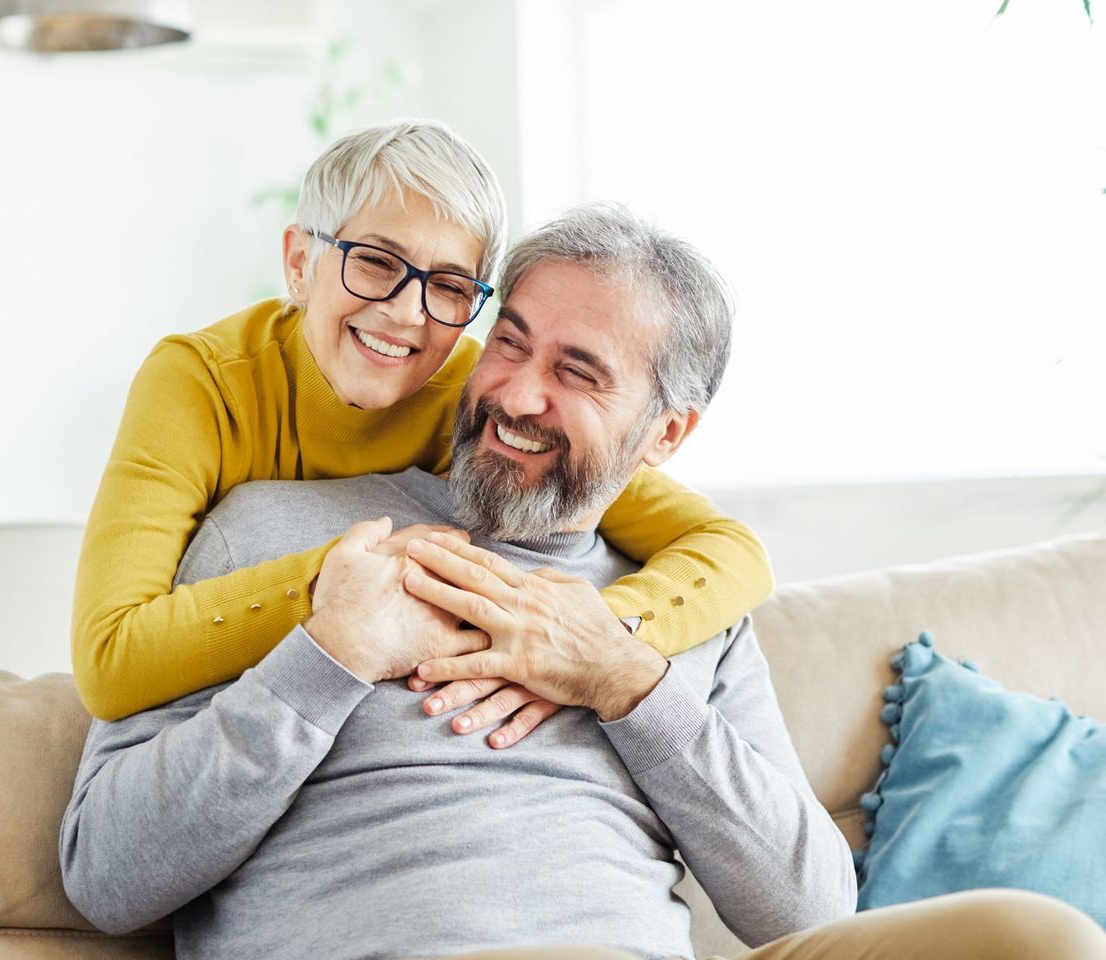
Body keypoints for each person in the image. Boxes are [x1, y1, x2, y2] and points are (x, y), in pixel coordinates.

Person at [60, 206, 1106, 960]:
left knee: (1035, 936)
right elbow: (107, 878)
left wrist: (628, 687)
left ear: (667, 434)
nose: (515, 392)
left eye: (577, 370)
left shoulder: (672, 613)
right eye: (506, 343)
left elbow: (809, 909)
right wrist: (325, 660)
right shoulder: (277, 539)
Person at [70, 120, 774, 746]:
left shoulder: (484, 399)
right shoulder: (200, 382)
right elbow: (109, 661)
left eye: (448, 286)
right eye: (375, 261)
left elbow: (729, 551)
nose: (407, 314)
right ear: (299, 263)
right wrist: (344, 588)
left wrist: (580, 635)